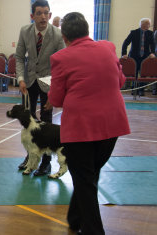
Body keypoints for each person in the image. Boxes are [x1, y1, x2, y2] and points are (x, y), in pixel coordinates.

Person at [46, 12, 130, 235]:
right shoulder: (107, 48)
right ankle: (74, 218)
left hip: (81, 129)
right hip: (113, 125)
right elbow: (120, 81)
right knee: (88, 176)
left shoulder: (61, 58)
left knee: (84, 179)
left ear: (64, 36)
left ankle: (94, 231)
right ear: (87, 30)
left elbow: (55, 99)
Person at [15, 0, 65, 176]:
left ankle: (46, 162)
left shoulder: (58, 35)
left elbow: (61, 65)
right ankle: (30, 157)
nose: (43, 17)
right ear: (32, 16)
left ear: (50, 15)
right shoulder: (25, 31)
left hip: (48, 84)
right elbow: (19, 57)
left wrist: (55, 91)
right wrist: (20, 78)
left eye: (46, 13)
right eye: (39, 13)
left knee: (46, 121)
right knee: (28, 121)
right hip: (28, 83)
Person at [122, 18, 156, 96]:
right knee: (135, 73)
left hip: (145, 57)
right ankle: (134, 89)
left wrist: (153, 53)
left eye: (149, 24)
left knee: (143, 73)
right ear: (142, 24)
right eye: (147, 24)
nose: (149, 25)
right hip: (134, 56)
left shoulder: (150, 33)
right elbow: (125, 43)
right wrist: (124, 53)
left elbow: (153, 45)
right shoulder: (134, 32)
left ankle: (141, 90)